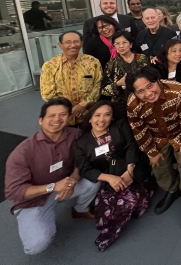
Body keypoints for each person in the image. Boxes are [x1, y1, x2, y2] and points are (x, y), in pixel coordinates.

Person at [5, 98, 101, 255]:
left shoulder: (76, 135)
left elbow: (83, 159)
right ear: (40, 120)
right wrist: (53, 187)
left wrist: (73, 180)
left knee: (94, 181)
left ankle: (80, 209)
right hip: (35, 198)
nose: (57, 119)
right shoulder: (22, 152)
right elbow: (13, 191)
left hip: (65, 184)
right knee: (36, 246)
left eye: (63, 114)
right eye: (51, 116)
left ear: (69, 117)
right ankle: (34, 217)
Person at [73, 100, 153, 251]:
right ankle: (109, 227)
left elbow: (131, 146)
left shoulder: (120, 126)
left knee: (129, 202)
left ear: (112, 117)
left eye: (107, 115)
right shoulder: (81, 143)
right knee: (105, 210)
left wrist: (130, 170)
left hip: (132, 167)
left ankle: (110, 234)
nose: (102, 120)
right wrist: (109, 178)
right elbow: (84, 169)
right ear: (89, 118)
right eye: (97, 115)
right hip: (108, 175)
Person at [126, 66, 181, 226]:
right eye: (140, 91)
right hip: (157, 136)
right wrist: (151, 151)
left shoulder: (179, 92)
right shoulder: (132, 104)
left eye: (149, 86)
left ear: (157, 80)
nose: (147, 93)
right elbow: (139, 130)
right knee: (158, 165)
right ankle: (172, 189)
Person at [40, 31, 102, 126]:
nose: (72, 45)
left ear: (81, 44)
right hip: (63, 117)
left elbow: (98, 85)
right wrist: (66, 108)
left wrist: (83, 104)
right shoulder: (50, 65)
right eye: (68, 42)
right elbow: (47, 93)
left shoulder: (92, 62)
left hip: (88, 114)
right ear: (60, 45)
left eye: (76, 42)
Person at [101, 30, 150, 120]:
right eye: (117, 43)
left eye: (124, 42)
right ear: (114, 46)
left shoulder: (142, 58)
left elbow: (151, 79)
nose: (121, 46)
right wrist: (118, 84)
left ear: (131, 44)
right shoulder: (111, 64)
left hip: (144, 102)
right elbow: (103, 90)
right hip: (122, 107)